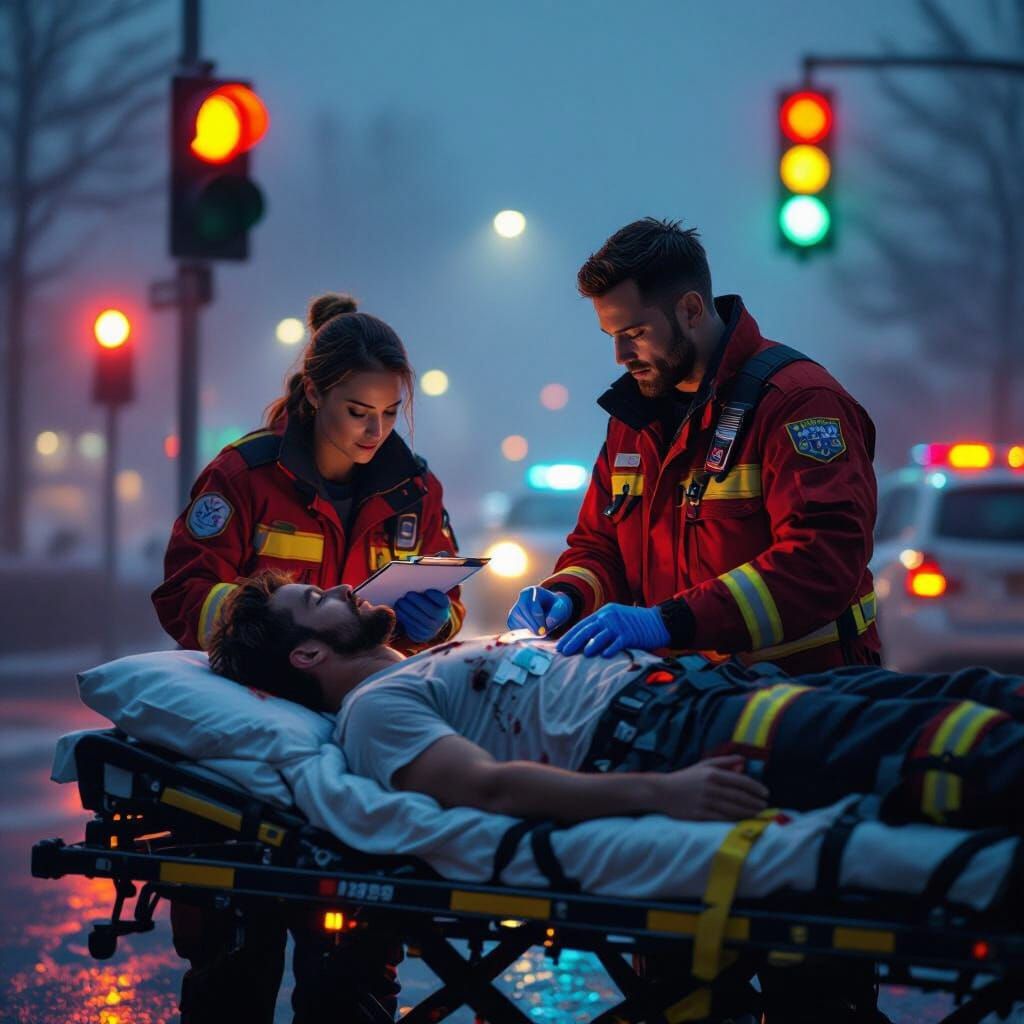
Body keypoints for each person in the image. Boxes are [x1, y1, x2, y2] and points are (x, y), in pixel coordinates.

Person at [152, 294, 464, 1023]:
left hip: (358, 736)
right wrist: (266, 636)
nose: (375, 430)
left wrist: (434, 616)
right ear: (315, 390)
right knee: (234, 969)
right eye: (359, 410)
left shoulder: (414, 490)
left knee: (354, 983)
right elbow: (183, 593)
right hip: (248, 747)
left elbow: (445, 604)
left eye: (389, 414)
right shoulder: (245, 476)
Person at [209, 571, 1024, 835]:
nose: (343, 587)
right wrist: (659, 795)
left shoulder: (426, 664)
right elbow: (488, 789)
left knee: (974, 692)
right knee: (959, 744)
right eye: (317, 599)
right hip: (680, 735)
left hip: (715, 687)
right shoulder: (375, 714)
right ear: (308, 655)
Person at [507, 218, 880, 676]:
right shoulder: (633, 421)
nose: (620, 357)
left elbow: (820, 563)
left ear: (689, 309)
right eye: (612, 337)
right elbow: (599, 547)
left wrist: (670, 623)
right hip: (687, 702)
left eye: (636, 333)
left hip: (809, 697)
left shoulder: (797, 403)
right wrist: (567, 594)